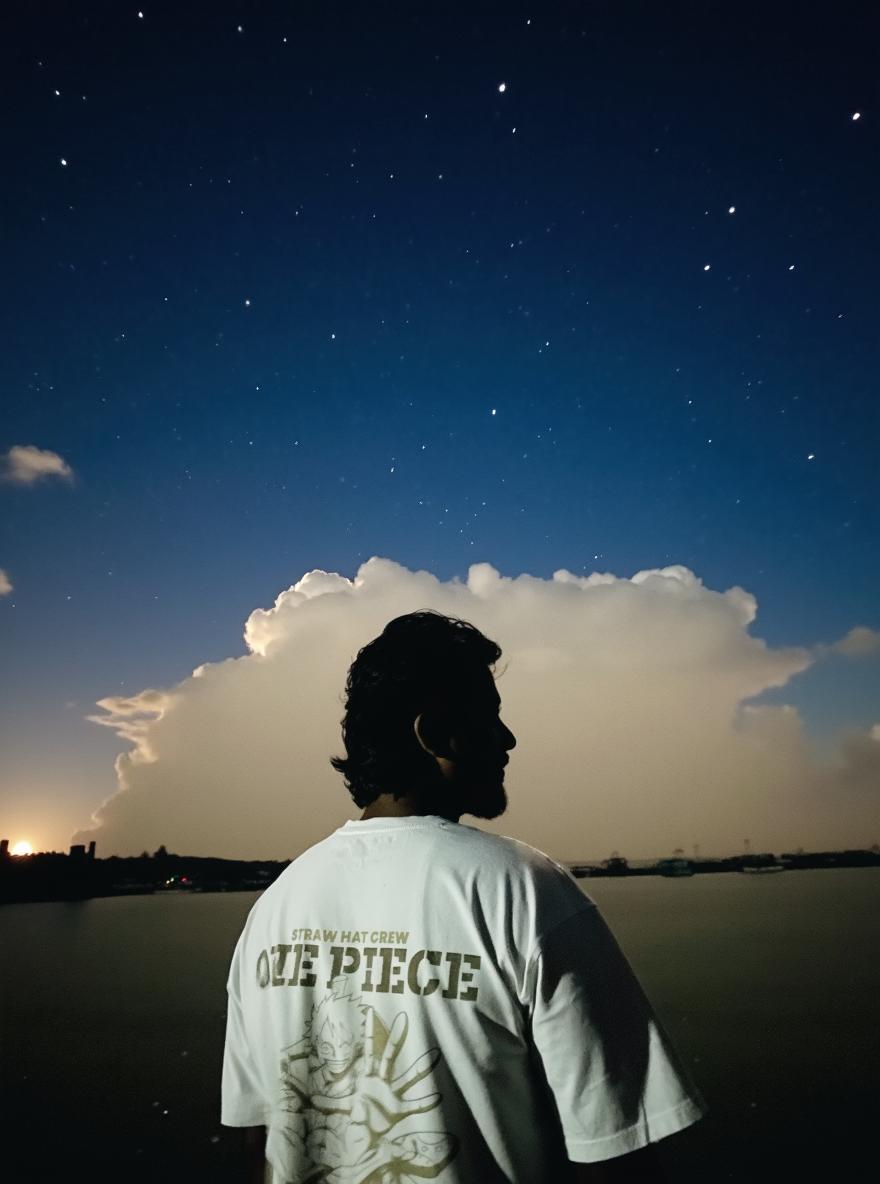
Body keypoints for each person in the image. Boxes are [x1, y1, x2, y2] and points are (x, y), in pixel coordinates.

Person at [221, 611, 707, 1182]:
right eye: (490, 719)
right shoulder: (524, 889)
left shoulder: (276, 906)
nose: (507, 741)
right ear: (434, 735)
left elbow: (258, 1140)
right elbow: (618, 1150)